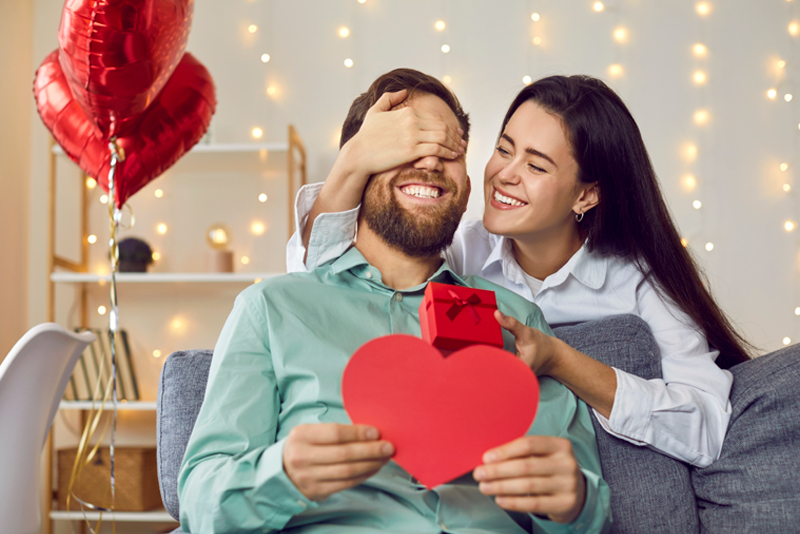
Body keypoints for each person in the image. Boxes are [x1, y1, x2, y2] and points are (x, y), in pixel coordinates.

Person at [179, 68, 611, 534]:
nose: (429, 164)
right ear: (360, 164)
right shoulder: (272, 309)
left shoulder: (519, 321)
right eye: (406, 146)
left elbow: (585, 514)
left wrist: (576, 504)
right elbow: (201, 505)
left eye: (449, 153)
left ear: (467, 186)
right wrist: (279, 475)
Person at [287, 74, 754, 468]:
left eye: (535, 165)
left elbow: (707, 426)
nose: (505, 175)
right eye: (504, 149)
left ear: (586, 196)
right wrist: (354, 158)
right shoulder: (461, 251)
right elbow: (327, 280)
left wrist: (561, 359)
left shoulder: (640, 282)